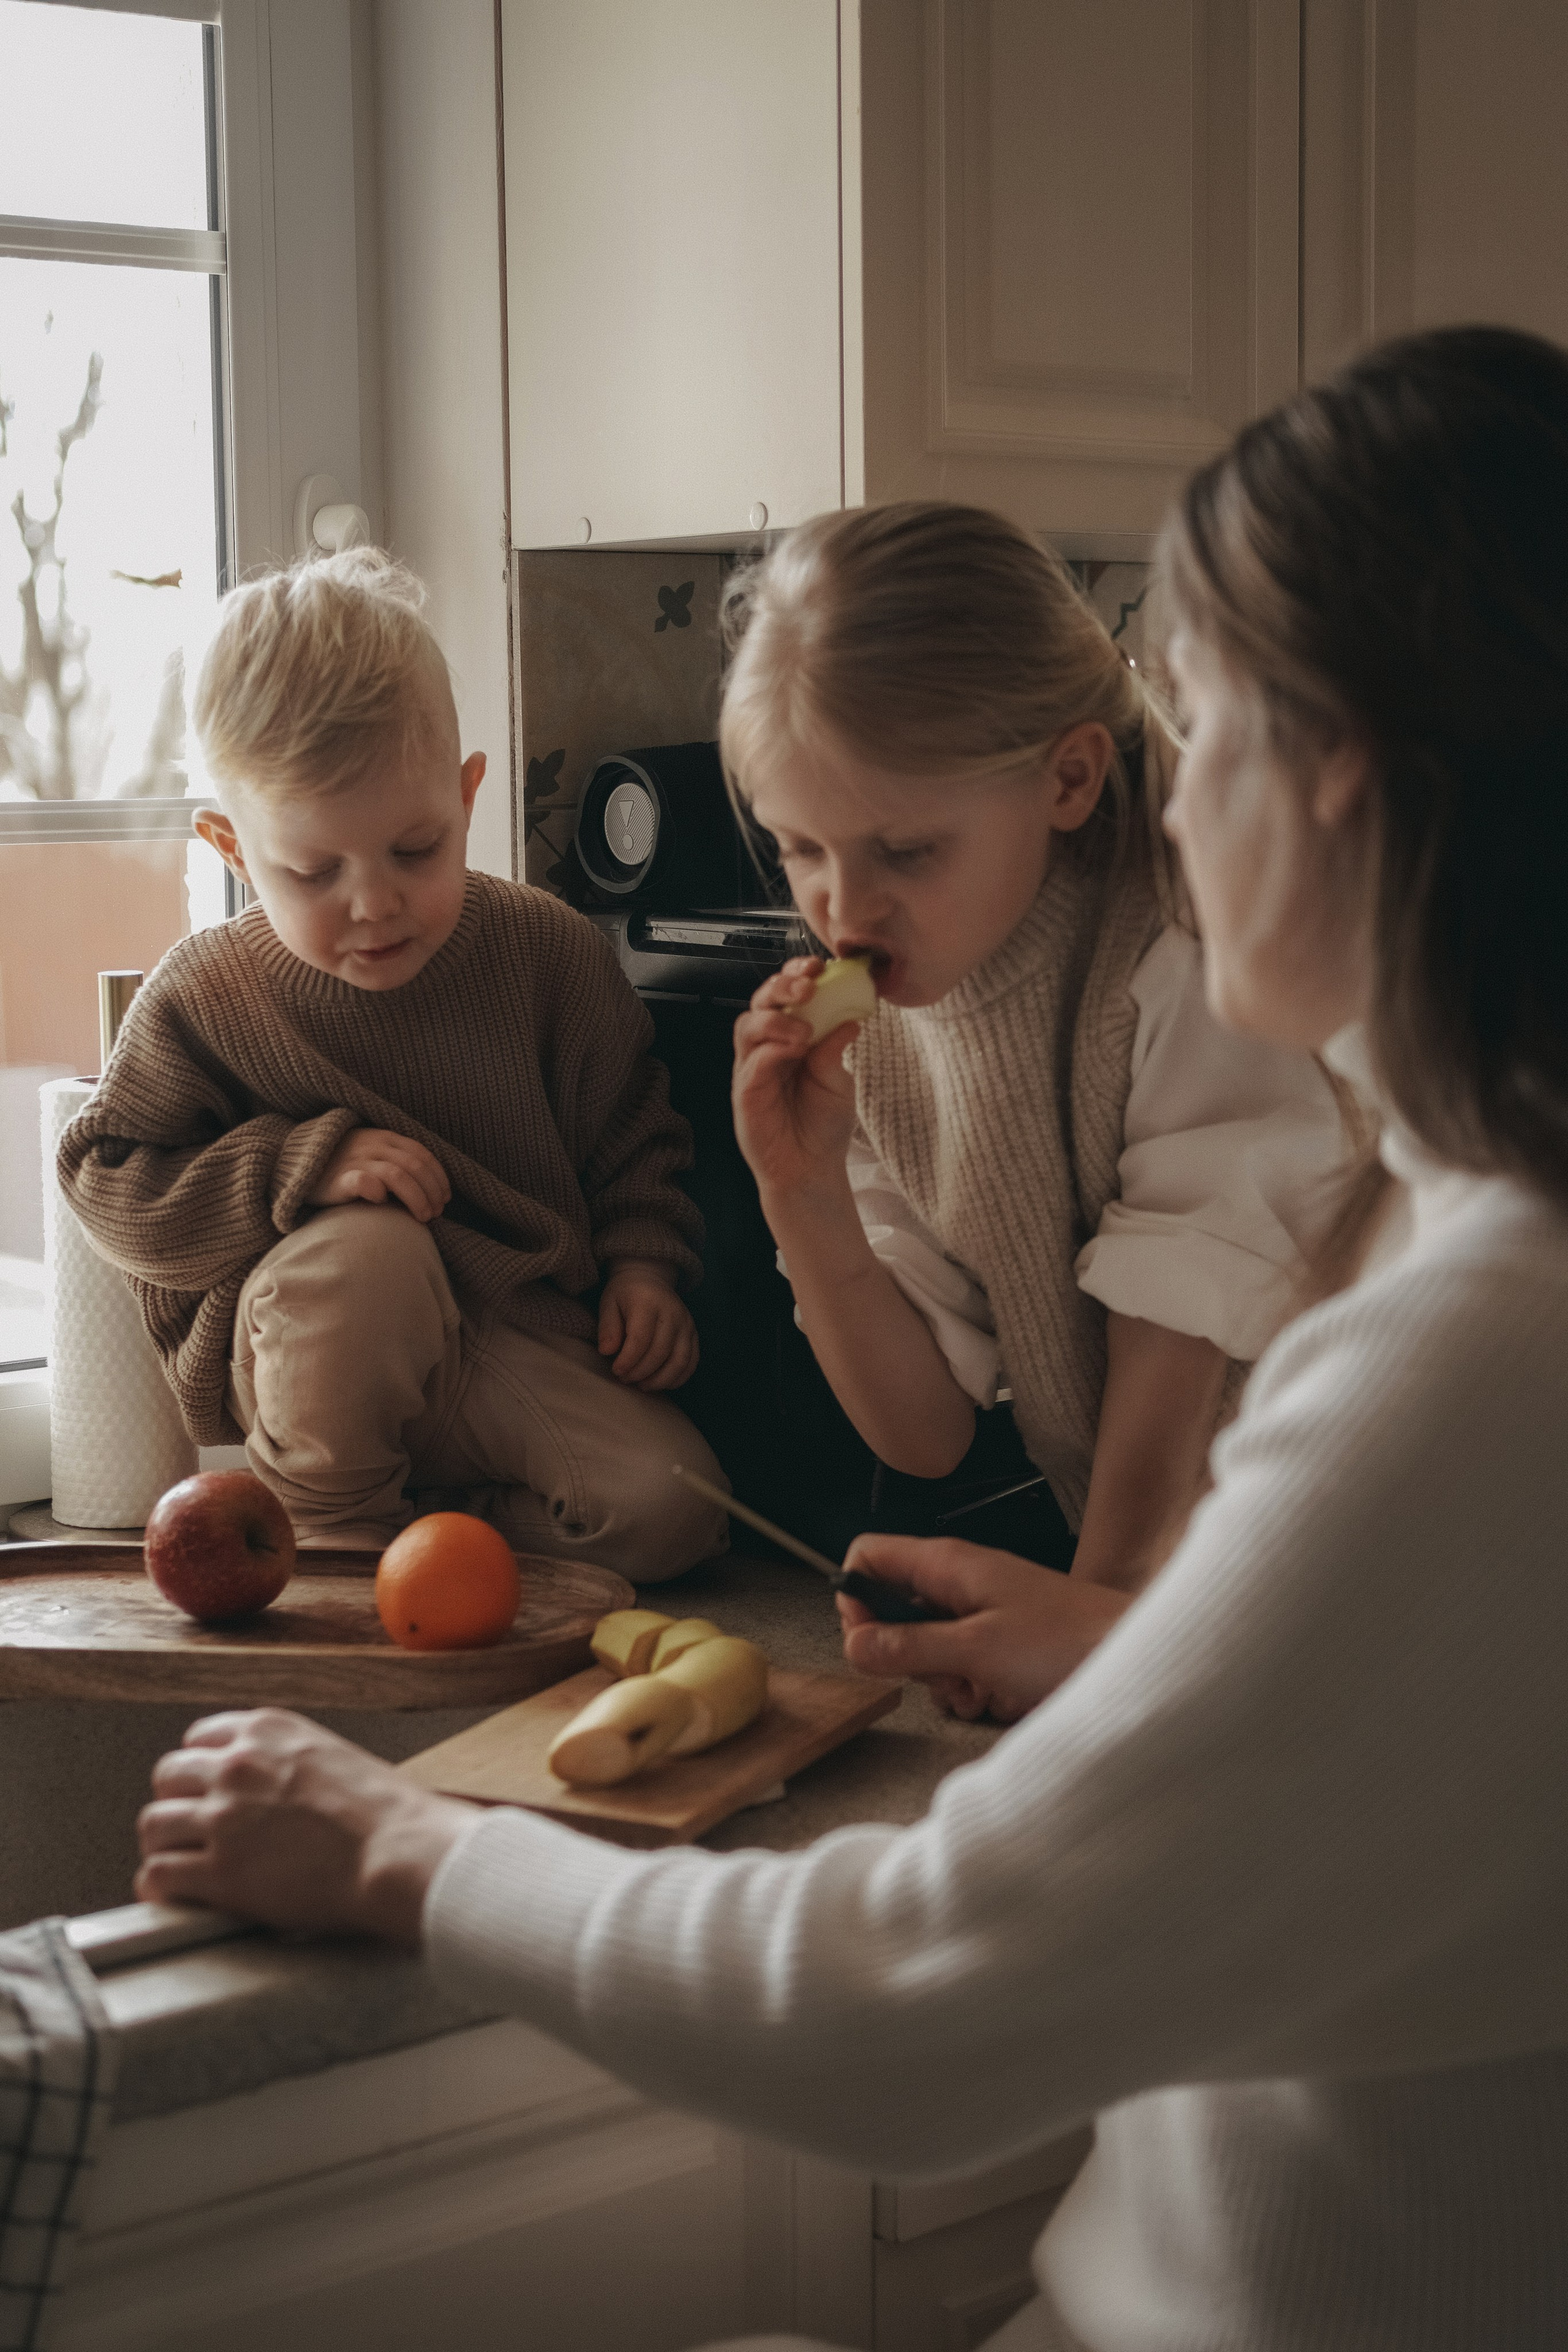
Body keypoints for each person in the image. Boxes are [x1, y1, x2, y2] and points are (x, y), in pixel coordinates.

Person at [137, 327, 1568, 2350]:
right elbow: (1375, 1742)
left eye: (1205, 715)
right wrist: (1122, 1653)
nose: (1172, 791)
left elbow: (909, 2014)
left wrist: (401, 1848)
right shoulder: (1460, 1239)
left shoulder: (1474, 1346)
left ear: (1342, 775)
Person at [59, 549, 727, 1578]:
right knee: (370, 1253)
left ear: (467, 797)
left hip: (515, 1340)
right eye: (314, 870)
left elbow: (633, 1133)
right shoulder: (207, 994)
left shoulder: (548, 954)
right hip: (318, 1360)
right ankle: (332, 1541)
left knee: (678, 1511)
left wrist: (644, 1264)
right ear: (233, 848)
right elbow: (105, 1179)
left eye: (416, 850)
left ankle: (433, 1535)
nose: (374, 904)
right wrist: (299, 1167)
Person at [725, 503, 1347, 1602]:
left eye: (905, 850)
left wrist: (1088, 1624)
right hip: (1180, 1576)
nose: (844, 910)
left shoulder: (1184, 944)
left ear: (1067, 780)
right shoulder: (878, 1026)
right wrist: (802, 1192)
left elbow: (1180, 1348)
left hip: (1346, 1528)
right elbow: (926, 1436)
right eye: (800, 849)